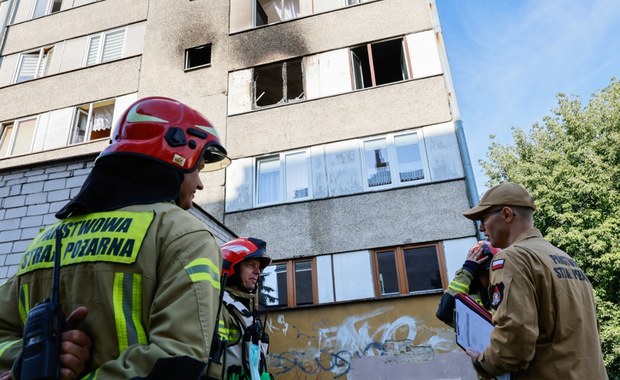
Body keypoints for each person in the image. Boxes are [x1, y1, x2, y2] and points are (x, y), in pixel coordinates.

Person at [0, 96, 231, 379]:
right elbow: (178, 358)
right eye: (199, 168)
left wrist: (34, 359)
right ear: (179, 156)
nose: (200, 183)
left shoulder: (45, 240)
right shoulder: (184, 235)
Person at [462, 182, 608, 379]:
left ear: (506, 214)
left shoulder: (512, 258)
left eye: (483, 218)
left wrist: (482, 363)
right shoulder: (565, 258)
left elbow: (514, 344)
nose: (481, 227)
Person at [207, 237, 273, 380]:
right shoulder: (218, 305)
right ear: (232, 269)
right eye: (250, 265)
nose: (257, 272)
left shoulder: (247, 310)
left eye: (259, 267)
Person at [436, 241, 499, 326]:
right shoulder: (474, 301)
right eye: (485, 274)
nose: (491, 278)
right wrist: (467, 270)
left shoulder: (511, 294)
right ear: (477, 278)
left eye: (495, 272)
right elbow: (445, 313)